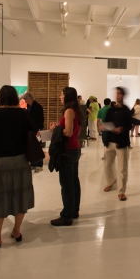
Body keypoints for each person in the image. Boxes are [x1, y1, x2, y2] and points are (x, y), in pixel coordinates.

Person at [0, 86, 36, 248]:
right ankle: (17, 231)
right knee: (20, 194)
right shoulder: (23, 114)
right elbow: (33, 130)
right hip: (20, 160)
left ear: (0, 98)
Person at [49, 87, 83, 226]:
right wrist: (59, 126)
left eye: (61, 94)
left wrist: (54, 129)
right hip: (74, 149)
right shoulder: (76, 111)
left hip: (67, 150)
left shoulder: (69, 111)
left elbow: (68, 132)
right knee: (73, 181)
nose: (59, 96)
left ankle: (67, 216)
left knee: (67, 184)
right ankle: (73, 210)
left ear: (67, 96)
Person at [103, 87, 133, 201]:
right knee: (107, 165)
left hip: (121, 143)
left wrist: (122, 129)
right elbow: (105, 122)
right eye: (116, 94)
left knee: (122, 168)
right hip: (110, 141)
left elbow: (130, 125)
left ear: (123, 96)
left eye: (119, 94)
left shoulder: (126, 110)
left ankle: (121, 191)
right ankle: (111, 182)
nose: (117, 95)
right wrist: (103, 126)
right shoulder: (111, 109)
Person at [23, 92, 45, 172]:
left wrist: (39, 129)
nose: (24, 101)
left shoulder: (38, 107)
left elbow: (41, 119)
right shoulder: (28, 107)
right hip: (30, 130)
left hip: (37, 130)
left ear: (29, 98)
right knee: (31, 147)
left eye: (25, 99)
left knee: (37, 147)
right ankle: (33, 163)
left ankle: (39, 164)